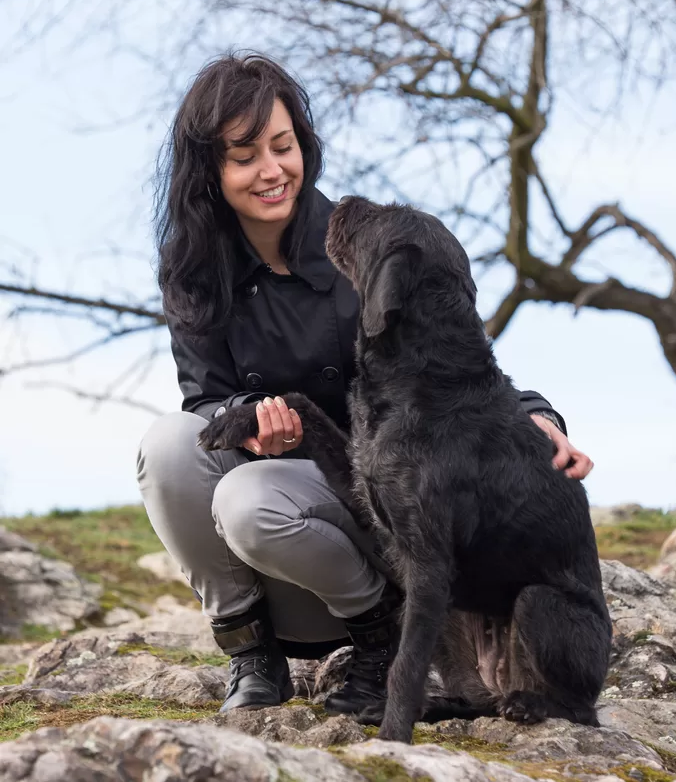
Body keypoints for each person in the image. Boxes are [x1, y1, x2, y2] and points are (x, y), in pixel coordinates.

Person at [136, 52, 594, 716]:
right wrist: (253, 418)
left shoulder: (366, 245)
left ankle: (381, 639)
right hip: (285, 549)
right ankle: (251, 654)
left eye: (282, 146)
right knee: (171, 445)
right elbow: (205, 400)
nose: (271, 171)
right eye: (244, 155)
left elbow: (459, 370)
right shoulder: (192, 268)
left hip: (386, 536)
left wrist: (539, 418)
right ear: (209, 168)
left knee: (248, 497)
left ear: (303, 146)